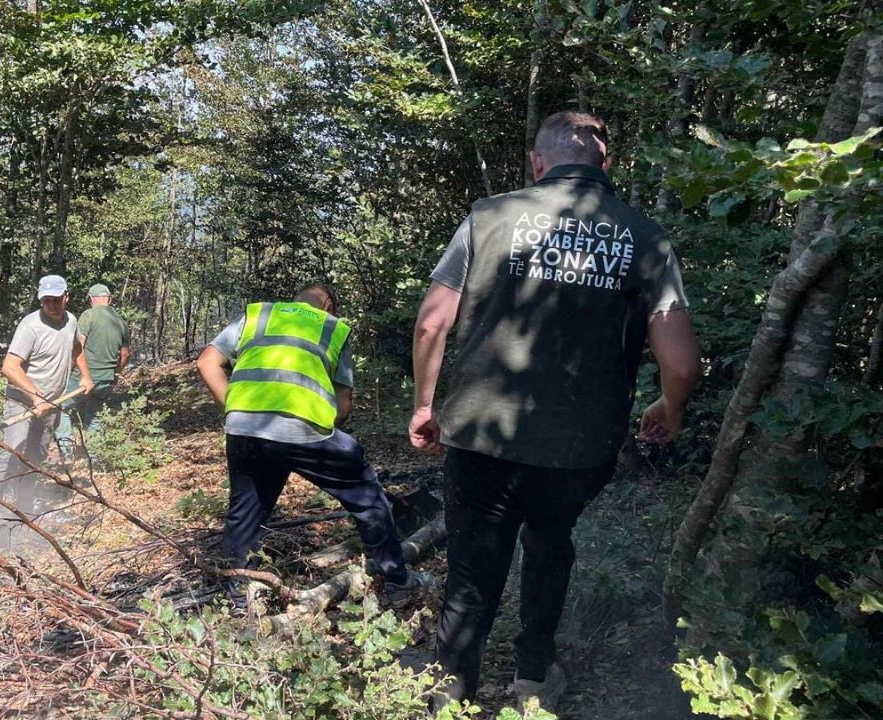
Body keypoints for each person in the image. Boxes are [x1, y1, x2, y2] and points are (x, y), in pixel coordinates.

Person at [410, 111, 700, 712]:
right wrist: (670, 409)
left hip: (480, 432)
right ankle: (533, 677)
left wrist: (424, 405)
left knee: (473, 561)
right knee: (551, 541)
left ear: (538, 162)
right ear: (605, 165)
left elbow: (433, 322)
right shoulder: (645, 237)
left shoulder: (487, 217)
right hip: (580, 444)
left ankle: (452, 689)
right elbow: (680, 360)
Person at [197, 284, 432, 614]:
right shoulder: (332, 327)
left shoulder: (258, 314)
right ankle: (397, 582)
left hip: (244, 429)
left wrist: (239, 408)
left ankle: (235, 602)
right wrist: (316, 422)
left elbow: (207, 362)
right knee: (367, 495)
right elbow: (344, 406)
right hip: (303, 431)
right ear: (328, 304)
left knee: (244, 513)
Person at [0, 274, 95, 512]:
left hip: (51, 402)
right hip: (23, 402)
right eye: (47, 301)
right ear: (40, 300)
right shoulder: (30, 327)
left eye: (56, 299)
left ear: (66, 297)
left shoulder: (71, 322)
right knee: (12, 454)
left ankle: (23, 511)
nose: (52, 305)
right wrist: (36, 397)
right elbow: (9, 366)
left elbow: (77, 349)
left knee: (37, 456)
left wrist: (86, 376)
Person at [56, 283, 131, 457]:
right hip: (105, 378)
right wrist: (115, 374)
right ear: (109, 299)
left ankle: (66, 454)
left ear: (91, 299)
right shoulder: (120, 322)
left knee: (62, 408)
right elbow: (125, 354)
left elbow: (78, 345)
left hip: (83, 376)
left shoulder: (88, 316)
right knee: (94, 416)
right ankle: (95, 457)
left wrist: (69, 370)